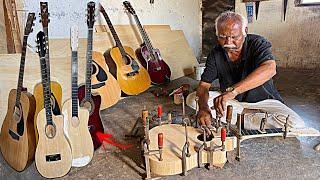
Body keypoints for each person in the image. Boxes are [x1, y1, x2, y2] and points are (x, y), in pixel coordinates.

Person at [197, 11, 283, 126]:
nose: (228, 42)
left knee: (293, 122)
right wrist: (203, 108)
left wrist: (234, 91)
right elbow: (204, 86)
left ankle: (239, 119)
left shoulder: (257, 43)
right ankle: (252, 120)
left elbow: (270, 68)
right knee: (193, 99)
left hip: (263, 102)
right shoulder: (216, 53)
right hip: (233, 102)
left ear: (245, 31)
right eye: (222, 37)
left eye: (234, 37)